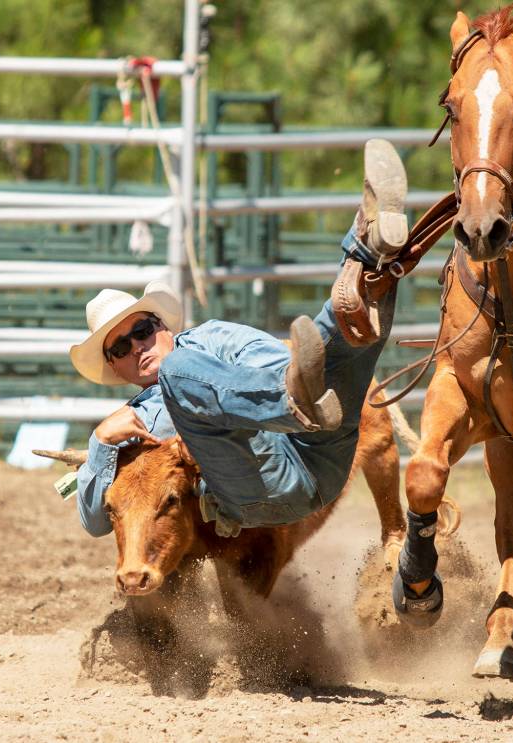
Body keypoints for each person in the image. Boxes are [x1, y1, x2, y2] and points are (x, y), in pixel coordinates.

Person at [70, 139, 409, 539]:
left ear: (162, 326)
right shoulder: (129, 426)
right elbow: (95, 522)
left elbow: (266, 358)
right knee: (179, 372)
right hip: (257, 487)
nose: (137, 347)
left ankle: (370, 252)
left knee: (344, 336)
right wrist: (100, 442)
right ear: (115, 366)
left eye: (141, 331)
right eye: (121, 348)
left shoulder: (211, 337)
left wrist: (293, 382)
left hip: (320, 450)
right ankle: (293, 397)